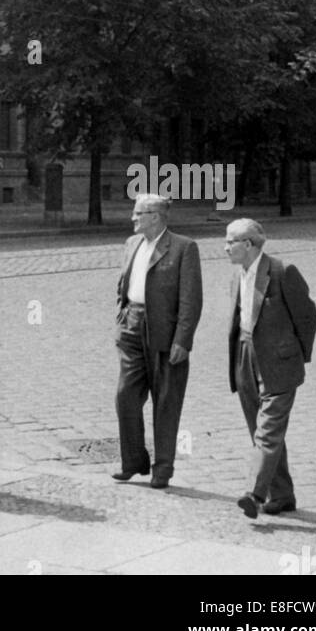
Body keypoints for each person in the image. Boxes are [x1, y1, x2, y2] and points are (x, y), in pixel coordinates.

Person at [226, 218, 316, 518]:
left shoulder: (281, 272)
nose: (225, 248)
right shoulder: (236, 277)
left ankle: (255, 494)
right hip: (246, 357)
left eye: (231, 242)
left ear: (249, 244)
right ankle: (282, 495)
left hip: (279, 363)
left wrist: (293, 355)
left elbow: (308, 317)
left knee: (267, 432)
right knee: (261, 430)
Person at [114, 194, 202, 489]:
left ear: (155, 216)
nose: (133, 218)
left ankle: (163, 467)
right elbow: (122, 284)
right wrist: (121, 317)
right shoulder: (131, 244)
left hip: (165, 334)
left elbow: (191, 301)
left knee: (166, 402)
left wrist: (183, 341)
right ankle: (133, 460)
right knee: (125, 396)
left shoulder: (183, 248)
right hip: (131, 328)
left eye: (138, 214)